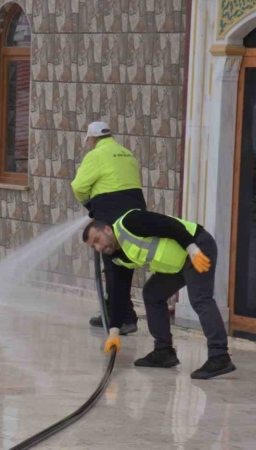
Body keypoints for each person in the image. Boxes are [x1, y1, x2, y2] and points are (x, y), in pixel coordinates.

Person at [82, 209, 236, 380]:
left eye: (97, 240)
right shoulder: (117, 258)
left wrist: (192, 248)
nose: (99, 247)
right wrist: (114, 332)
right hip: (177, 264)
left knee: (200, 298)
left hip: (196, 246)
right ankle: (164, 352)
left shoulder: (130, 222)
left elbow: (170, 225)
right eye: (94, 247)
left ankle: (219, 356)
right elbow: (119, 293)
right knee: (152, 293)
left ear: (108, 230)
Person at [71, 122, 144, 335]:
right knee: (123, 266)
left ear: (92, 139)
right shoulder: (126, 153)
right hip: (135, 216)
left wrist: (90, 206)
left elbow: (78, 186)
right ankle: (120, 313)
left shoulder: (96, 155)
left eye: (89, 142)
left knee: (113, 268)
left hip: (110, 216)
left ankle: (118, 318)